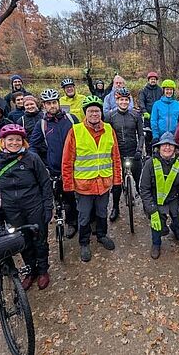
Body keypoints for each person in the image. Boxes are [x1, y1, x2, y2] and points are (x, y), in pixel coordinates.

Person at [0, 124, 53, 291]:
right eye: (10, 139)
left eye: (18, 140)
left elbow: (45, 183)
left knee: (39, 238)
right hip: (11, 209)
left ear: (23, 142)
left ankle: (43, 270)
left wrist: (48, 206)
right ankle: (30, 270)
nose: (14, 143)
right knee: (22, 240)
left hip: (34, 205)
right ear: (3, 141)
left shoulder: (32, 158)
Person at [61, 95, 121, 262]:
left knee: (102, 212)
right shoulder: (75, 131)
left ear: (101, 113)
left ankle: (102, 235)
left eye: (97, 111)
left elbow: (115, 157)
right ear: (85, 113)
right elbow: (67, 161)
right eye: (90, 111)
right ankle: (84, 242)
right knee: (84, 215)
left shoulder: (109, 129)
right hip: (84, 185)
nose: (94, 114)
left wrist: (117, 181)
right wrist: (68, 185)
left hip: (104, 183)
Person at [29, 88, 80, 238]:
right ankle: (62, 218)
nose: (52, 106)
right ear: (43, 106)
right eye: (48, 103)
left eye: (54, 102)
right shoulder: (42, 124)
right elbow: (33, 145)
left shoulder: (71, 119)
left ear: (59, 103)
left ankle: (73, 222)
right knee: (60, 195)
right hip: (54, 167)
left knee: (72, 196)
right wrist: (38, 164)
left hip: (74, 166)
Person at [139, 132, 179, 259]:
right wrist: (152, 210)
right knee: (157, 225)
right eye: (164, 145)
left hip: (174, 199)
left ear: (175, 148)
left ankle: (174, 226)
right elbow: (144, 189)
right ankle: (156, 244)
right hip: (156, 200)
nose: (167, 148)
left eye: (170, 145)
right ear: (159, 147)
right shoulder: (150, 164)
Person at [107, 87, 145, 222]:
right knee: (117, 184)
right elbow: (107, 136)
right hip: (118, 154)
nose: (124, 102)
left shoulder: (135, 115)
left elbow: (141, 135)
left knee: (139, 181)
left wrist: (139, 150)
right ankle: (115, 207)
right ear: (117, 101)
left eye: (126, 100)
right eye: (121, 100)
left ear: (129, 101)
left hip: (133, 152)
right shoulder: (110, 116)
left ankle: (146, 205)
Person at [139, 71, 163, 153]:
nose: (153, 81)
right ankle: (148, 153)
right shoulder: (144, 90)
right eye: (151, 79)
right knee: (148, 135)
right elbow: (141, 101)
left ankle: (157, 151)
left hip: (159, 116)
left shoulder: (160, 90)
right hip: (148, 116)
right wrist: (144, 111)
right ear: (148, 80)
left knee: (157, 134)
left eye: (154, 79)